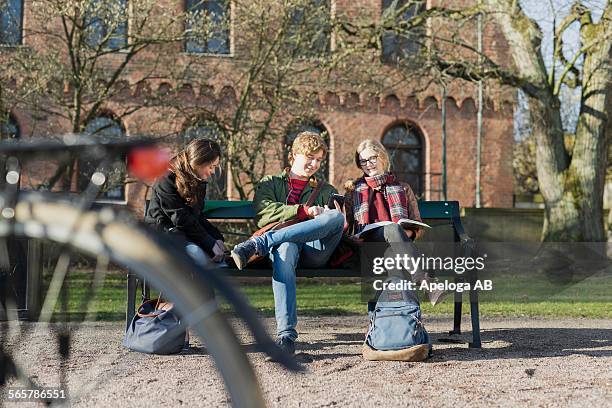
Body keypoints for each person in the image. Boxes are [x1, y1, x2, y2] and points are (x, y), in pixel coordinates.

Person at [231, 131, 344, 357]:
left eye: (319, 160)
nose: (314, 163)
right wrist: (303, 211)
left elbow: (335, 223)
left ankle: (260, 242)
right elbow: (264, 213)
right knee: (286, 247)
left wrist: (324, 214)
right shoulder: (270, 183)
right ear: (293, 155)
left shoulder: (326, 190)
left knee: (336, 217)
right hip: (283, 252)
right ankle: (286, 336)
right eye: (309, 157)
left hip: (315, 251)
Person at [343, 139, 443, 305]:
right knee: (391, 230)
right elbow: (345, 229)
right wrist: (351, 236)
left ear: (382, 157)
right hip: (366, 249)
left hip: (398, 249)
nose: (368, 164)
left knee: (393, 251)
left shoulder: (403, 188)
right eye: (363, 161)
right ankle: (425, 282)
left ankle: (388, 317)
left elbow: (417, 225)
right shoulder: (353, 191)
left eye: (372, 158)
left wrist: (407, 232)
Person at [145, 138, 226, 270]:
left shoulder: (198, 183)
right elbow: (181, 218)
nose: (212, 171)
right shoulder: (166, 179)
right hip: (162, 237)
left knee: (210, 258)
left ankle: (200, 291)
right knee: (196, 255)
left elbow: (197, 217)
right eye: (211, 166)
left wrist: (216, 238)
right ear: (197, 162)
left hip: (185, 236)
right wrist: (209, 243)